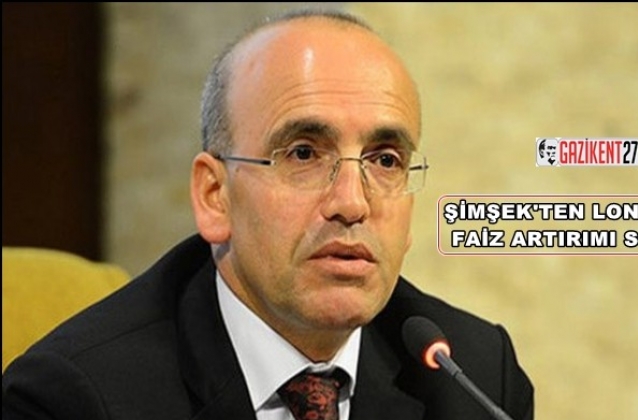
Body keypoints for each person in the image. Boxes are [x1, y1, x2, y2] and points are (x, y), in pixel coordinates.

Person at [2, 9, 534, 420]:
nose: (352, 203)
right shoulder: (74, 399)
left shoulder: (473, 376)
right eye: (303, 154)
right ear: (215, 196)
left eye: (385, 160)